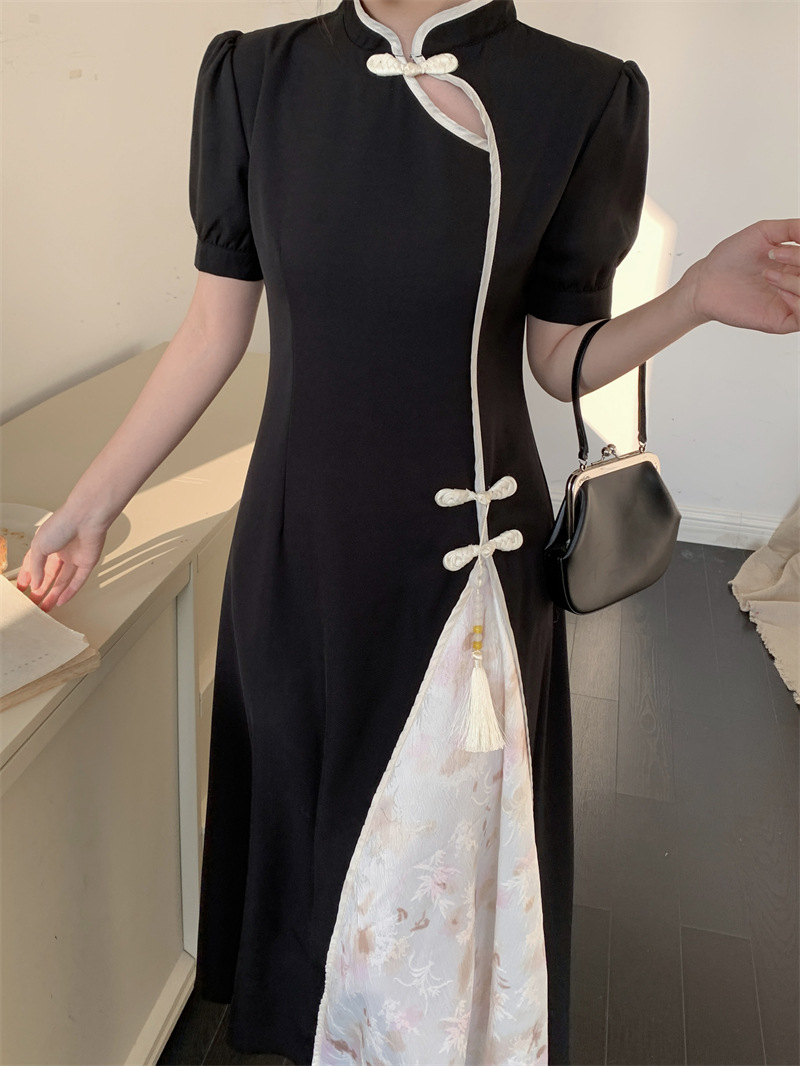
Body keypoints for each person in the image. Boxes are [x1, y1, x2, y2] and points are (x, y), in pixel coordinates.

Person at [15, 1, 799, 1062]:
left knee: (442, 877)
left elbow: (558, 358)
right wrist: (90, 504)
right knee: (311, 855)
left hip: (470, 569)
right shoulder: (256, 76)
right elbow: (210, 331)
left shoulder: (579, 92)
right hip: (298, 547)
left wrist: (693, 295)